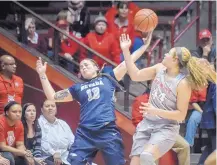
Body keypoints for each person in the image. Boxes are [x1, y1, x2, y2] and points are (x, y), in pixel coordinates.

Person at [35, 31, 153, 165]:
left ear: (96, 67)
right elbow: (52, 96)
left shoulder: (108, 78)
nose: (83, 66)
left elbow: (127, 63)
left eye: (86, 64)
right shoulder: (77, 88)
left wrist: (143, 47)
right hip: (85, 133)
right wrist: (42, 74)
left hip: (107, 130)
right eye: (81, 66)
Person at [120, 34, 216, 165]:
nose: (164, 54)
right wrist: (125, 50)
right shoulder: (159, 68)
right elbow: (134, 75)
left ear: (175, 60)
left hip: (166, 128)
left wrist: (155, 110)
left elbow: (181, 115)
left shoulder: (183, 83)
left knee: (147, 156)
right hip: (147, 125)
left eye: (168, 53)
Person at [131, 81, 190, 165]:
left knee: (185, 146)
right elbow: (137, 121)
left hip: (165, 130)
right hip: (148, 132)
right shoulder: (140, 100)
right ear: (150, 85)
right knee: (149, 155)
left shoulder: (166, 99)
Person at [38, 100, 74, 165]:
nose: (50, 108)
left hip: (66, 157)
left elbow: (72, 142)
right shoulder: (38, 123)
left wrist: (80, 155)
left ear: (56, 109)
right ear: (42, 110)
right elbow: (41, 142)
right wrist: (54, 153)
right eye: (47, 106)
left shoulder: (63, 123)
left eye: (53, 106)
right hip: (47, 157)